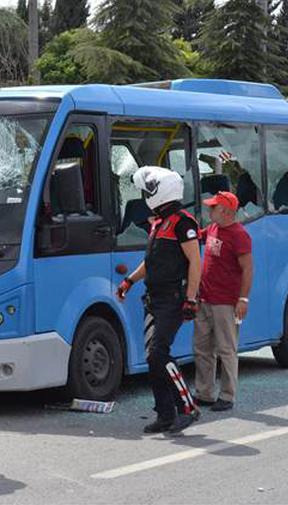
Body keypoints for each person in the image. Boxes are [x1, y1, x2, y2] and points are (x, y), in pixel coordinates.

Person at [116, 166, 201, 435]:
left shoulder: (182, 223)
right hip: (153, 299)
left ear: (160, 191)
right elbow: (151, 263)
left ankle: (187, 407)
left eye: (147, 190)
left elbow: (195, 263)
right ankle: (165, 415)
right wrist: (129, 281)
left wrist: (190, 299)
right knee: (153, 360)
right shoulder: (159, 224)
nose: (144, 195)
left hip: (173, 299)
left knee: (158, 354)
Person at [193, 191, 253, 412]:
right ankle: (204, 393)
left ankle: (227, 396)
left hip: (225, 302)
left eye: (213, 208)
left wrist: (243, 299)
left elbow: (247, 269)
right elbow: (194, 237)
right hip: (205, 298)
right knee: (202, 348)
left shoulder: (239, 235)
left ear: (226, 212)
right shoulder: (213, 228)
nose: (209, 210)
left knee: (226, 349)